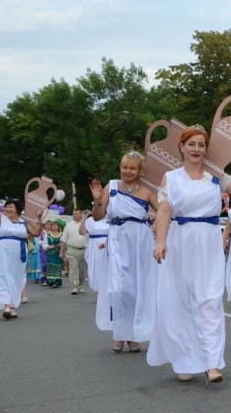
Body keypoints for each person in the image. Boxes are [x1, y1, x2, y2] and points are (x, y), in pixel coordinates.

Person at [149, 125, 231, 384]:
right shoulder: (171, 177)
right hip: (180, 242)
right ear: (182, 147)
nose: (197, 149)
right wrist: (161, 240)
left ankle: (211, 363)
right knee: (180, 301)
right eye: (192, 144)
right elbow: (164, 210)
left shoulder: (215, 175)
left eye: (201, 145)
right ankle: (184, 359)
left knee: (209, 300)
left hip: (209, 242)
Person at [90, 151, 159, 354]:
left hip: (140, 241)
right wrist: (97, 200)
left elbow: (165, 211)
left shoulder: (147, 192)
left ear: (140, 171)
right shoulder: (111, 187)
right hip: (118, 239)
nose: (127, 171)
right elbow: (97, 216)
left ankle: (132, 335)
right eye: (125, 167)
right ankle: (119, 333)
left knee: (136, 288)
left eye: (132, 168)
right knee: (118, 288)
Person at [0, 199, 43, 319]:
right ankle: (7, 306)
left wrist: (39, 217)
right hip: (3, 252)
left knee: (17, 279)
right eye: (6, 207)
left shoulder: (24, 222)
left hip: (19, 253)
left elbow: (36, 233)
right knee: (3, 276)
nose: (7, 209)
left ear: (17, 209)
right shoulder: (1, 218)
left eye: (10, 207)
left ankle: (12, 306)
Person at [79, 210, 111, 331]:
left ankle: (106, 292)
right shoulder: (90, 220)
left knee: (107, 269)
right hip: (94, 247)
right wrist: (83, 219)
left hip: (108, 245)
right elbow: (81, 232)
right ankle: (99, 293)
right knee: (96, 269)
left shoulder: (111, 218)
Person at [60, 208, 89, 295]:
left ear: (81, 215)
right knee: (73, 268)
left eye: (76, 213)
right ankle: (75, 286)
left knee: (82, 270)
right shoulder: (68, 226)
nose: (74, 215)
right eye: (73, 213)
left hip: (84, 250)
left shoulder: (87, 225)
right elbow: (64, 240)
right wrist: (61, 251)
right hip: (72, 250)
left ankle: (81, 285)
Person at [43, 221, 65, 288]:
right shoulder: (47, 235)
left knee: (58, 267)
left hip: (58, 253)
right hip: (50, 253)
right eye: (52, 225)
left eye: (55, 225)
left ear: (58, 226)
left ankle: (57, 282)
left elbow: (65, 243)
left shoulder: (62, 234)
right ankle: (52, 282)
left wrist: (62, 246)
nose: (54, 226)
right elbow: (44, 244)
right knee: (51, 267)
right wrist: (50, 246)